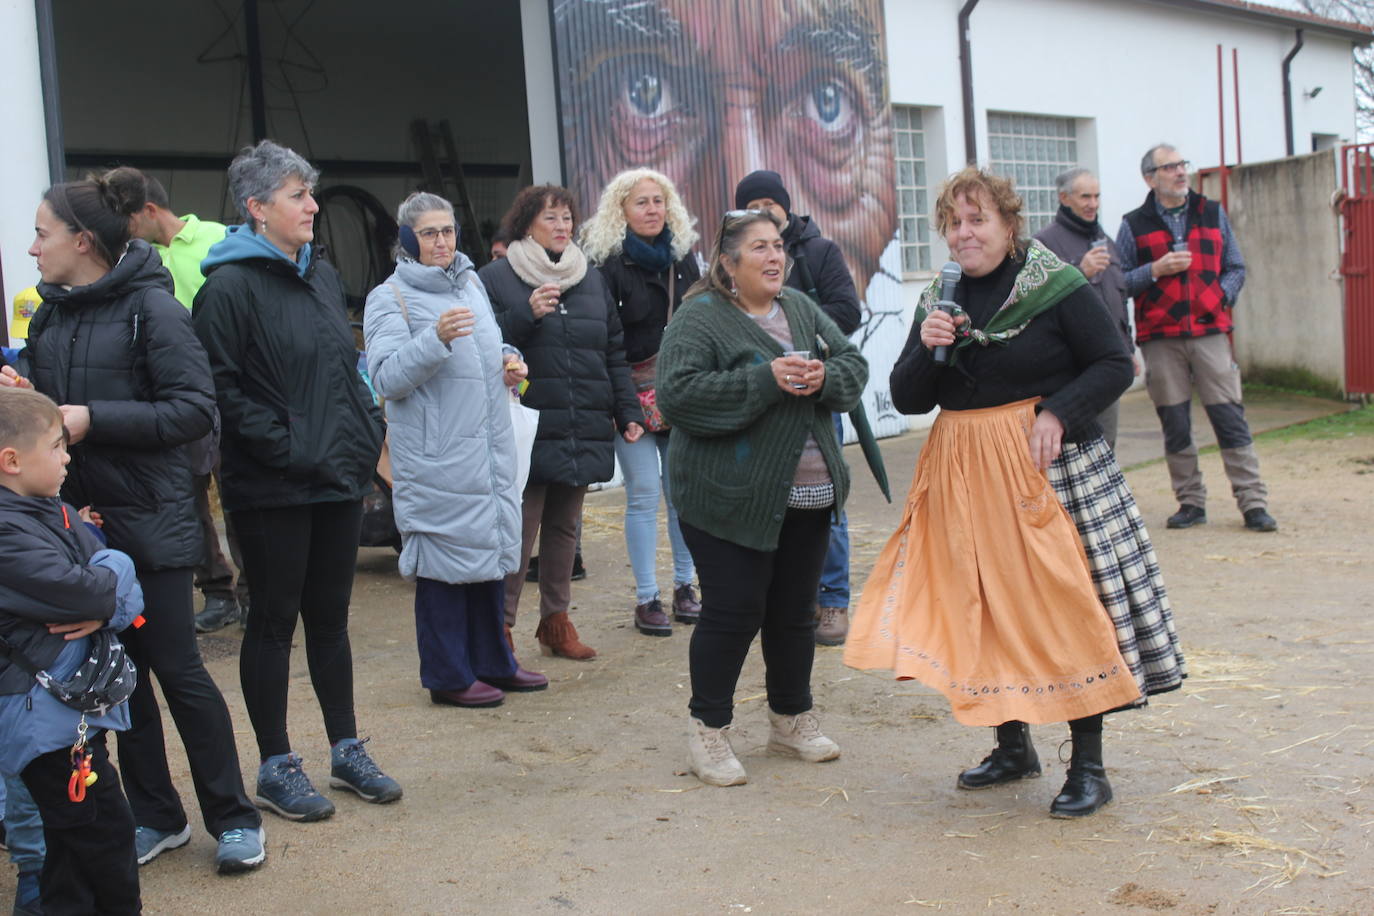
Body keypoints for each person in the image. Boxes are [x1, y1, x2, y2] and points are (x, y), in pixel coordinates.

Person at [846, 167, 1185, 818]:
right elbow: (913, 397)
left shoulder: (1052, 286)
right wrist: (927, 346)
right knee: (987, 610)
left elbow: (1114, 362)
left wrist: (1058, 412)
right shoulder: (940, 302)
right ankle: (1012, 745)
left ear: (1008, 225)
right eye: (953, 222)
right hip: (965, 474)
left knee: (1067, 611)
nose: (964, 233)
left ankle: (1089, 766)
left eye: (978, 220)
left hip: (1046, 468)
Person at [8, 173, 267, 871]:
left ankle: (234, 816)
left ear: (82, 241)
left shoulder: (153, 310)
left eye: (42, 233)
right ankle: (157, 815)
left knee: (177, 670)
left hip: (149, 524)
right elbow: (43, 411)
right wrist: (23, 392)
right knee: (114, 678)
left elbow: (192, 410)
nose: (32, 249)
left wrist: (93, 421)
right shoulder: (50, 313)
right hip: (75, 529)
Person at [194, 140, 402, 822]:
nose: (313, 205)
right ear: (257, 209)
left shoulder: (319, 274)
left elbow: (345, 366)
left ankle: (347, 750)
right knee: (274, 622)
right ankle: (277, 764)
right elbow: (220, 392)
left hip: (337, 476)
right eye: (297, 196)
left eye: (310, 192)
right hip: (273, 485)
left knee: (332, 621)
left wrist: (364, 428)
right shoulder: (226, 288)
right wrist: (290, 446)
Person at [656, 208, 869, 786]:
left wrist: (826, 377)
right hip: (728, 498)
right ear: (728, 263)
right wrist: (762, 379)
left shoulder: (799, 307)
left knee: (794, 614)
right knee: (734, 612)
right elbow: (676, 397)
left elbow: (852, 361)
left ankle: (790, 718)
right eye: (759, 248)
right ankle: (709, 731)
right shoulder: (699, 319)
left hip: (809, 495)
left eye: (779, 247)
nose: (775, 257)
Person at [363, 192, 548, 707]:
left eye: (447, 231)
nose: (441, 241)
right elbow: (386, 376)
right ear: (406, 240)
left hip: (487, 449)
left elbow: (488, 348)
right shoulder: (389, 297)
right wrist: (435, 340)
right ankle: (447, 676)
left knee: (489, 555)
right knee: (445, 565)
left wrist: (510, 361)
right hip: (436, 457)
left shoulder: (470, 282)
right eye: (429, 233)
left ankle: (493, 662)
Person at [480, 185, 643, 661]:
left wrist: (628, 411)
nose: (561, 226)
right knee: (520, 528)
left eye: (567, 218)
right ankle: (500, 628)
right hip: (529, 421)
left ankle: (555, 622)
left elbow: (614, 350)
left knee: (565, 530)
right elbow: (485, 344)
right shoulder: (497, 277)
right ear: (526, 223)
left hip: (583, 419)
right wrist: (524, 316)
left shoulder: (589, 277)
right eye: (550, 218)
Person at [0, 388, 144, 914]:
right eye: (57, 448)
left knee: (70, 845)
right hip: (40, 715)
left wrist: (110, 579)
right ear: (12, 461)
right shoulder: (8, 530)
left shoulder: (52, 512)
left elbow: (122, 596)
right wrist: (114, 573)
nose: (68, 457)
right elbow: (98, 589)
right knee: (104, 836)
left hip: (67, 714)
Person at [1116, 143, 1276, 533]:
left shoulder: (1212, 212)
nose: (1180, 172)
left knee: (1230, 417)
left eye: (1181, 164)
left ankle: (1253, 503)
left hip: (1210, 334)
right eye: (1169, 167)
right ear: (1150, 179)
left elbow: (1236, 266)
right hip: (1160, 339)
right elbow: (1118, 282)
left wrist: (1219, 297)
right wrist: (1155, 269)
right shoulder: (1132, 223)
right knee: (1175, 423)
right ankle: (1190, 503)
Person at [114, 165, 247, 632]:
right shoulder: (136, 258)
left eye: (128, 218)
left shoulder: (217, 240)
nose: (126, 229)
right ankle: (217, 589)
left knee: (238, 489)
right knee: (188, 494)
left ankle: (254, 592)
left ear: (149, 210)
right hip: (176, 394)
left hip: (226, 386)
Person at [735, 169, 861, 646]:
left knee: (827, 497)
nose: (764, 212)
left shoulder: (819, 251)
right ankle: (795, 597)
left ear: (786, 206)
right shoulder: (734, 258)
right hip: (764, 398)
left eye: (771, 202)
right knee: (775, 497)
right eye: (753, 205)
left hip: (815, 388)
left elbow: (847, 312)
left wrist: (801, 332)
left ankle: (833, 600)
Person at [581, 168, 702, 636]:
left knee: (682, 496)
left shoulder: (683, 258)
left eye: (658, 201)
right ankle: (647, 598)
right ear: (621, 211)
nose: (652, 209)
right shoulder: (606, 265)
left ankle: (684, 588)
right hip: (627, 394)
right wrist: (619, 406)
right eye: (641, 202)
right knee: (644, 492)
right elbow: (604, 342)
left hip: (676, 390)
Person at [1033, 167, 1134, 448]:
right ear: (1064, 198)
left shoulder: (1104, 239)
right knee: (1073, 449)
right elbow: (1035, 301)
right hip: (1071, 370)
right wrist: (1080, 271)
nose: (1093, 204)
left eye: (1097, 196)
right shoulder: (1044, 244)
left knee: (1106, 446)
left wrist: (1128, 349)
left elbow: (1119, 298)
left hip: (1107, 364)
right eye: (1085, 197)